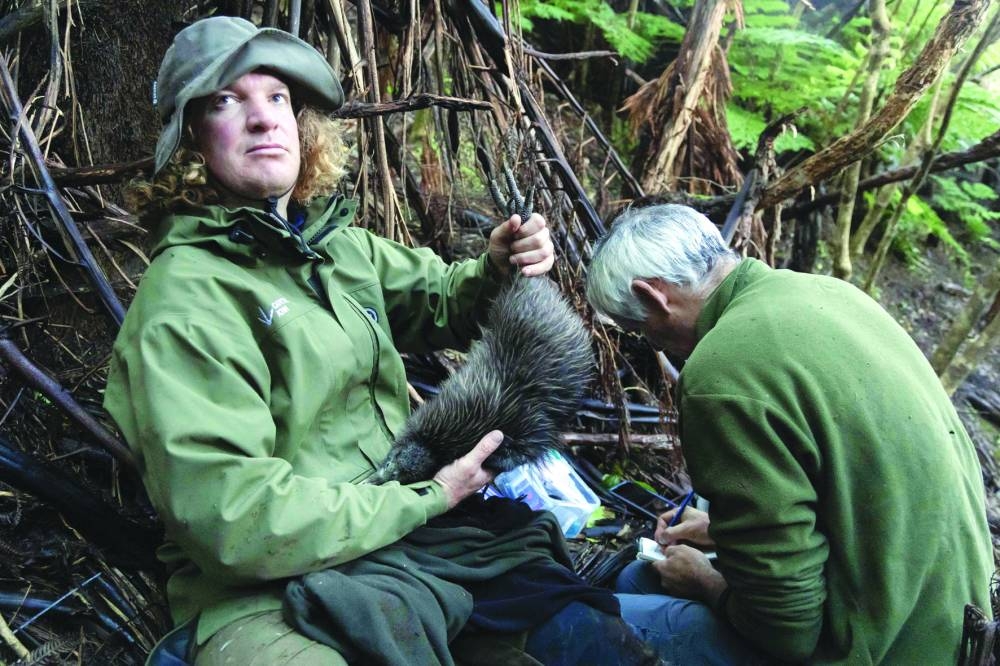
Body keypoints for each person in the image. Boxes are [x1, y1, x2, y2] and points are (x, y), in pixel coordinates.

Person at [104, 16, 654, 666]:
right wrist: (424, 497)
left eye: (277, 97)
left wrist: (498, 265)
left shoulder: (338, 249)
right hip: (268, 586)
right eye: (227, 102)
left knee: (593, 641)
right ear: (191, 137)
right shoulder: (184, 300)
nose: (263, 119)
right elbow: (235, 517)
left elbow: (446, 300)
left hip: (417, 535)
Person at [586, 203, 995, 664]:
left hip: (880, 647)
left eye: (640, 329)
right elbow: (852, 487)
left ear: (655, 297)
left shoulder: (720, 373)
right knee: (638, 580)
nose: (650, 342)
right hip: (953, 618)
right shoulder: (828, 293)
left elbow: (786, 630)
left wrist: (707, 583)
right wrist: (725, 534)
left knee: (588, 625)